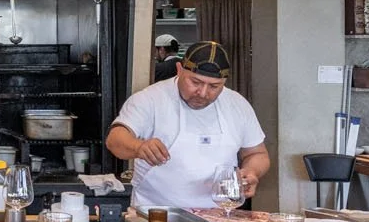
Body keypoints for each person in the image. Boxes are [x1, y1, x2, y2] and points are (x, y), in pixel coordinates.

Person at [105, 40, 271, 212]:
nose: (203, 93)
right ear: (179, 69)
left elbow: (257, 153)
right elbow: (114, 139)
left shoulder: (237, 104)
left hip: (221, 215)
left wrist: (251, 172)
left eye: (214, 86)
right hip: (156, 214)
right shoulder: (150, 99)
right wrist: (138, 147)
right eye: (195, 82)